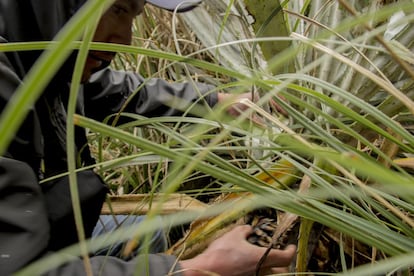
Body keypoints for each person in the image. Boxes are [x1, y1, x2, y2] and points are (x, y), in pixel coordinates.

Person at [0, 0, 296, 275]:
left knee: (147, 233)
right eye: (118, 9)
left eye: (134, 14)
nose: (126, 39)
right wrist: (198, 268)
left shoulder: (46, 57)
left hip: (47, 227)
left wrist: (219, 101)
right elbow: (20, 269)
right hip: (26, 254)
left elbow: (110, 91)